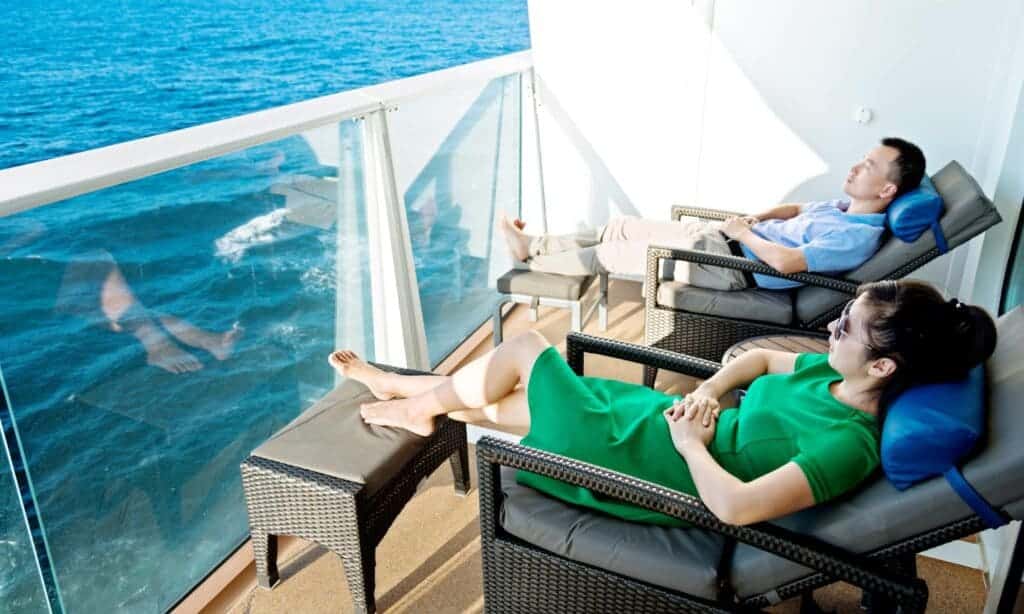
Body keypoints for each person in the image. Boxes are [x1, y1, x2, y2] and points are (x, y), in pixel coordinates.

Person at [327, 278, 995, 526]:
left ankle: (413, 400)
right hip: (664, 423)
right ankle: (411, 392)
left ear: (882, 365)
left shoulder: (847, 443)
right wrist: (705, 393)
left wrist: (691, 444)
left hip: (659, 462)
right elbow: (759, 358)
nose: (830, 327)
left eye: (844, 327)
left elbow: (735, 508)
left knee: (529, 348)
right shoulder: (833, 376)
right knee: (505, 405)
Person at [500, 137, 926, 290]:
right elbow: (794, 208)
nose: (855, 167)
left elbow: (786, 262)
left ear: (888, 189)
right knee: (620, 225)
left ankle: (532, 258)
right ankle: (533, 244)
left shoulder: (856, 237)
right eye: (862, 158)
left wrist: (744, 234)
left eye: (868, 166)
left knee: (613, 254)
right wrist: (752, 220)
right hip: (724, 239)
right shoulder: (841, 207)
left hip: (728, 266)